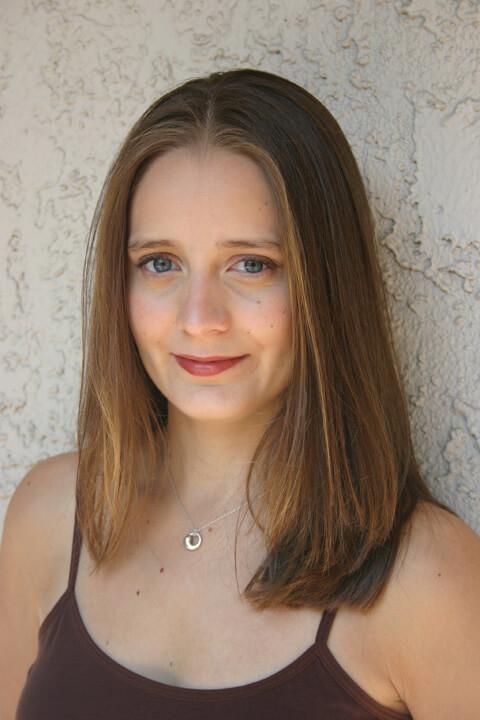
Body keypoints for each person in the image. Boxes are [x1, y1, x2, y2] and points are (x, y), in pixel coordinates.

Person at [1, 68, 479, 720]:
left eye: (251, 264)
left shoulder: (430, 578)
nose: (199, 317)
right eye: (160, 262)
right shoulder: (49, 518)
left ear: (324, 283)